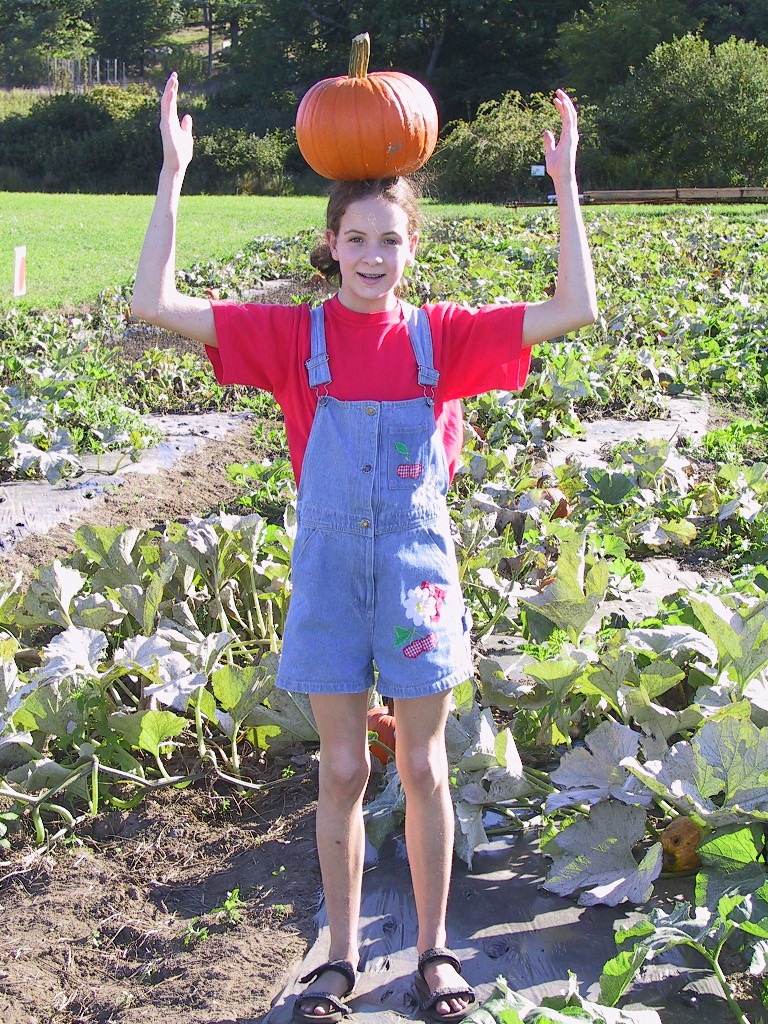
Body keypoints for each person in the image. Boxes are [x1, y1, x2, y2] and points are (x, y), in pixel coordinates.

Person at [131, 72, 597, 1024]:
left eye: (391, 239)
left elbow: (573, 307)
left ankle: (433, 954)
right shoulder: (289, 337)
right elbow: (155, 302)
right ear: (330, 248)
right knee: (343, 768)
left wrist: (566, 185)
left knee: (423, 767)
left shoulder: (447, 339)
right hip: (332, 578)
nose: (373, 255)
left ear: (410, 248)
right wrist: (173, 173)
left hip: (418, 578)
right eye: (357, 239)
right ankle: (339, 962)